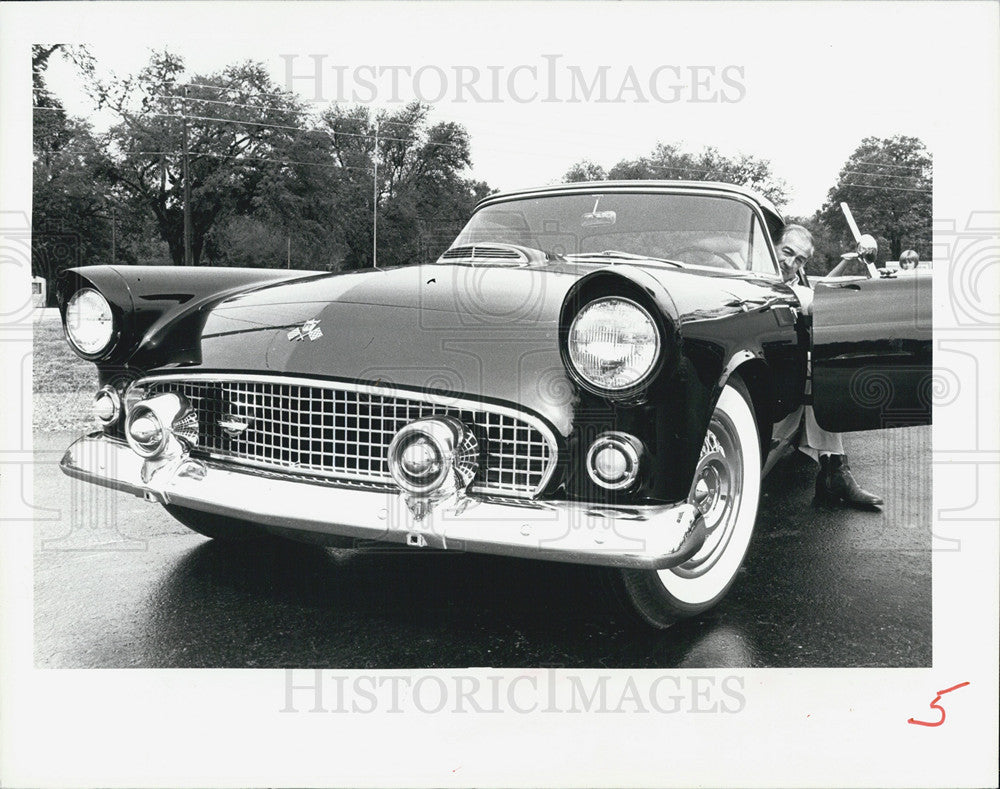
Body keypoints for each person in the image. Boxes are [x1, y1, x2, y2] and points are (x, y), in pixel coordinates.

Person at [771, 224, 884, 508]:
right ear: (771, 246)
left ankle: (836, 470)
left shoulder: (797, 291)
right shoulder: (742, 278)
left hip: (782, 390)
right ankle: (835, 473)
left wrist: (855, 261)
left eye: (799, 260)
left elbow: (822, 297)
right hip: (750, 388)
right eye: (786, 252)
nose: (790, 264)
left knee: (816, 377)